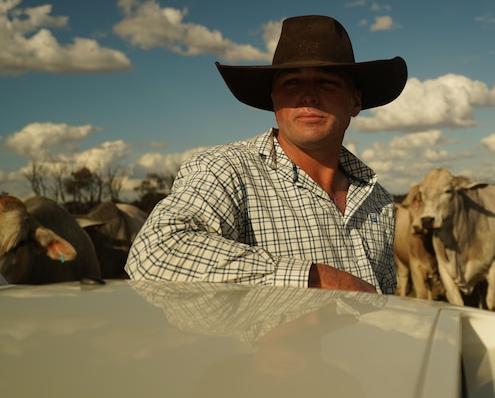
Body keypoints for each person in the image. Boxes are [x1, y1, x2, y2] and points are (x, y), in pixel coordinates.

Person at [125, 15, 408, 293]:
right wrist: (319, 279)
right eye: (292, 83)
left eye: (326, 82)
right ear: (274, 99)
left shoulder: (379, 201)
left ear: (355, 101)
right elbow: (154, 253)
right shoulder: (226, 169)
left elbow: (384, 297)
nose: (308, 95)